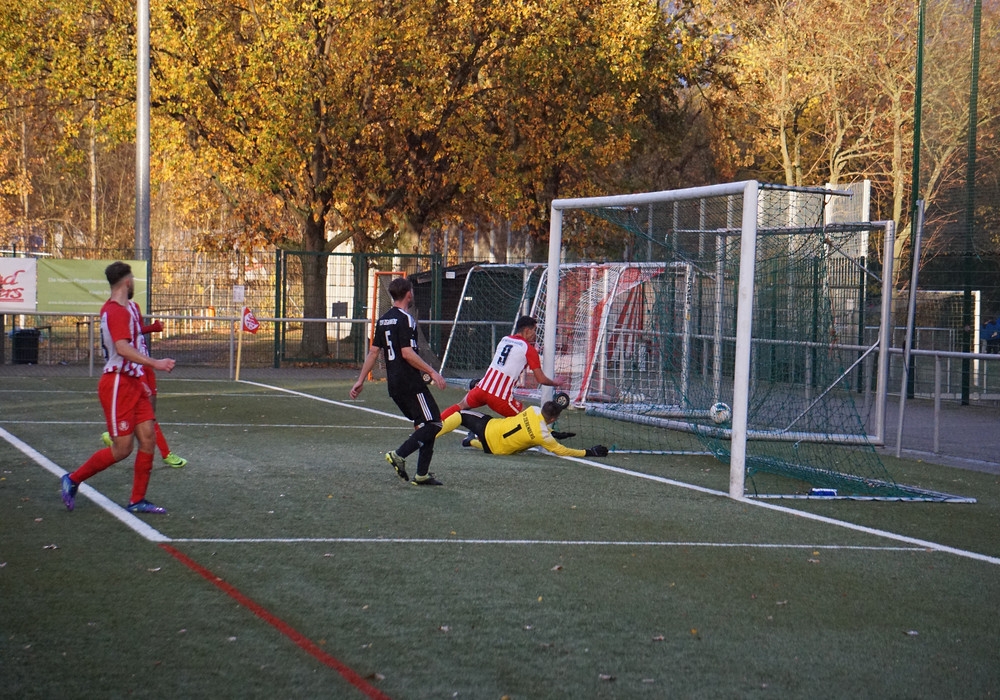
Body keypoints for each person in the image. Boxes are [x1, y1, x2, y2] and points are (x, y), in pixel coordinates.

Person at [61, 262, 177, 514]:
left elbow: (130, 340)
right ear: (127, 282)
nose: (134, 282)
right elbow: (123, 348)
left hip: (133, 383)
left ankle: (137, 500)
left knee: (148, 440)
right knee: (123, 449)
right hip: (117, 384)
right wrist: (155, 363)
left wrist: (142, 380)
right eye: (132, 278)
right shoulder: (115, 311)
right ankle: (72, 479)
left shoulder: (128, 309)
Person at [350, 276, 448, 486]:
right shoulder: (406, 319)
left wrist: (360, 380)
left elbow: (373, 352)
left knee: (424, 424)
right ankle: (399, 454)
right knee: (435, 423)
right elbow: (407, 353)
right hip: (410, 381)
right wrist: (433, 372)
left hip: (394, 383)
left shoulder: (383, 319)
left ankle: (422, 474)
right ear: (408, 294)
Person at [100, 308, 187, 468]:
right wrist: (153, 328)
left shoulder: (133, 307)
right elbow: (128, 338)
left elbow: (136, 332)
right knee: (149, 415)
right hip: (136, 367)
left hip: (144, 366)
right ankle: (166, 454)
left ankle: (115, 436)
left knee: (148, 414)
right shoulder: (117, 309)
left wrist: (152, 328)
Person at [441, 315, 562, 421]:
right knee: (527, 419)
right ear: (527, 330)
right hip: (499, 396)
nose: (535, 334)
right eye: (534, 330)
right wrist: (555, 382)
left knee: (460, 405)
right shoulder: (529, 350)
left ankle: (434, 423)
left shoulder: (505, 339)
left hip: (482, 388)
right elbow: (540, 379)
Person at [439, 400, 609, 459]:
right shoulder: (542, 435)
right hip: (497, 450)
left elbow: (534, 423)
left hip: (489, 429)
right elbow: (562, 451)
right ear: (553, 419)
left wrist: (553, 433)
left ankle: (432, 431)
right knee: (523, 443)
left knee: (461, 414)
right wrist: (589, 452)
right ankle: (471, 441)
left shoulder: (533, 409)